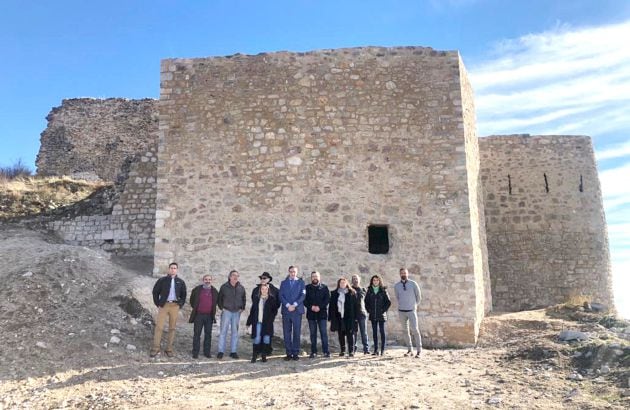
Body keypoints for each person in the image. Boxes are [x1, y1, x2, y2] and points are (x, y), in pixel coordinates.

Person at [150, 262, 187, 357]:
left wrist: (180, 304)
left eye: (175, 268)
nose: (173, 269)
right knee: (159, 327)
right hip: (164, 305)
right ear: (168, 269)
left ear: (177, 270)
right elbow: (155, 292)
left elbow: (184, 295)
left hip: (175, 306)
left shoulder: (181, 282)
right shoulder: (162, 280)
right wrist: (158, 303)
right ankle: (155, 348)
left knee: (172, 328)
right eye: (171, 268)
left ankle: (169, 349)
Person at [246, 283, 280, 363]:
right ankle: (254, 356)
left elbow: (274, 311)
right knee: (257, 338)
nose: (264, 291)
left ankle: (264, 355)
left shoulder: (272, 299)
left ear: (268, 290)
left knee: (266, 338)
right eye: (262, 289)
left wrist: (270, 319)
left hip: (267, 323)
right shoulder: (256, 298)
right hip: (258, 322)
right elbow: (252, 311)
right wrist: (248, 322)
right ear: (260, 290)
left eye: (266, 289)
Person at [217, 270, 246, 359]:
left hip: (236, 312)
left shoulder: (241, 288)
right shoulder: (224, 287)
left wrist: (242, 308)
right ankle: (221, 351)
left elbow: (244, 298)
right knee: (223, 332)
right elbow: (219, 299)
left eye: (237, 275)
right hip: (227, 311)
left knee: (235, 332)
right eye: (233, 275)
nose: (235, 277)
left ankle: (233, 351)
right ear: (230, 277)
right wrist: (222, 308)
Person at [188, 274, 219, 358]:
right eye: (206, 279)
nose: (207, 281)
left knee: (208, 334)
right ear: (203, 280)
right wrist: (197, 308)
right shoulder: (197, 290)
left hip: (209, 316)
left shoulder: (215, 291)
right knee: (197, 334)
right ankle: (195, 352)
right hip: (199, 315)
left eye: (209, 279)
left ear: (211, 281)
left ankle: (207, 352)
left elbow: (215, 302)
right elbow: (192, 301)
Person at [279, 265, 306, 360]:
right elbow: (281, 295)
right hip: (286, 311)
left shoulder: (301, 282)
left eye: (294, 271)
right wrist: (287, 305)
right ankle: (288, 353)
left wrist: (294, 305)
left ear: (296, 272)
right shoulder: (283, 283)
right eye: (291, 271)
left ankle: (295, 353)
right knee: (286, 332)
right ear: (288, 272)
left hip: (297, 311)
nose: (292, 273)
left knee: (296, 332)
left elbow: (303, 295)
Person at [394, 268, 422, 357]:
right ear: (400, 274)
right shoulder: (396, 286)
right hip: (402, 311)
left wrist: (413, 306)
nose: (403, 274)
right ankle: (409, 350)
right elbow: (398, 297)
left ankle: (419, 351)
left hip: (411, 311)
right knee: (405, 331)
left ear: (407, 273)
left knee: (415, 330)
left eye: (405, 273)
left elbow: (418, 297)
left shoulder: (413, 284)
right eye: (402, 273)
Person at [329, 277, 359, 357]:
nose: (342, 284)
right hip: (339, 317)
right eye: (341, 282)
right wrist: (331, 318)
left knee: (350, 334)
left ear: (346, 283)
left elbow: (356, 306)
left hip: (349, 317)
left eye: (344, 282)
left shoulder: (352, 292)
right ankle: (342, 350)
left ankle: (351, 351)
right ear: (338, 284)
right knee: (341, 334)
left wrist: (356, 317)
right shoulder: (334, 293)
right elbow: (331, 307)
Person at [304, 271, 330, 358]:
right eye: (313, 276)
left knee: (323, 333)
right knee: (313, 334)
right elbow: (304, 300)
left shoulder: (324, 288)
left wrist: (319, 307)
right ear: (311, 278)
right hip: (311, 315)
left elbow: (327, 299)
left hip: (322, 314)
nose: (315, 278)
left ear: (319, 277)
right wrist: (311, 307)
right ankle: (313, 352)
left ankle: (326, 351)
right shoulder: (306, 288)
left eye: (316, 276)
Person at [364, 274, 392, 356]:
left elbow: (388, 302)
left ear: (379, 281)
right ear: (372, 281)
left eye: (377, 280)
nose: (375, 281)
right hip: (373, 315)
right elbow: (366, 302)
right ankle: (376, 350)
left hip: (381, 315)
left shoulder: (383, 290)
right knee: (374, 333)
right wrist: (369, 310)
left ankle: (382, 350)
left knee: (382, 332)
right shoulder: (369, 290)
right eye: (374, 280)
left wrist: (383, 310)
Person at [351, 274, 370, 354]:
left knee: (364, 332)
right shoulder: (349, 290)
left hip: (362, 314)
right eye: (354, 279)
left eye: (357, 278)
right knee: (354, 333)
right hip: (353, 314)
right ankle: (353, 349)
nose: (355, 280)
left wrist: (367, 310)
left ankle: (366, 349)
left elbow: (367, 302)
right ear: (352, 280)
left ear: (359, 279)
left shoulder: (363, 289)